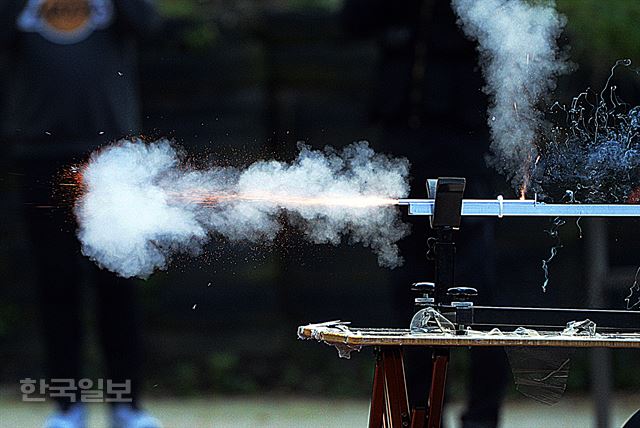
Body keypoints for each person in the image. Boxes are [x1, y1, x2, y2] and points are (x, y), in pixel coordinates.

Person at [343, 1, 510, 427]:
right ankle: (416, 410)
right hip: (403, 141)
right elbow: (353, 20)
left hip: (464, 141)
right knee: (409, 284)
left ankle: (482, 415)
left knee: (477, 286)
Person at [0, 1, 163, 427]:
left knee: (119, 287)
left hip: (112, 156)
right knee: (56, 287)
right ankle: (67, 406)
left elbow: (147, 24)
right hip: (40, 156)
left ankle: (126, 406)